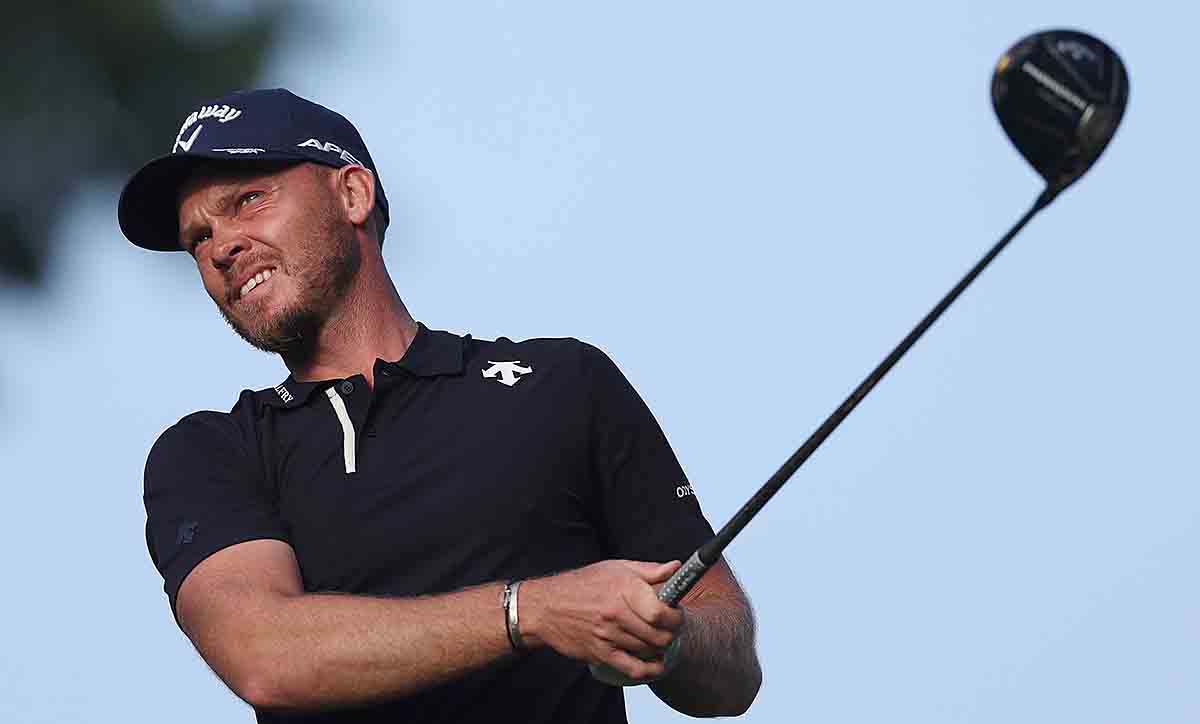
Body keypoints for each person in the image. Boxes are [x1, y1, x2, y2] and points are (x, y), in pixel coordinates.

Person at [120, 89, 761, 723]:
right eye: (198, 238)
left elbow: (730, 665)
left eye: (249, 200)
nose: (221, 248)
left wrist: (668, 640)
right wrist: (530, 611)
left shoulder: (562, 385)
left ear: (352, 194)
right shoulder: (210, 454)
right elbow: (263, 654)